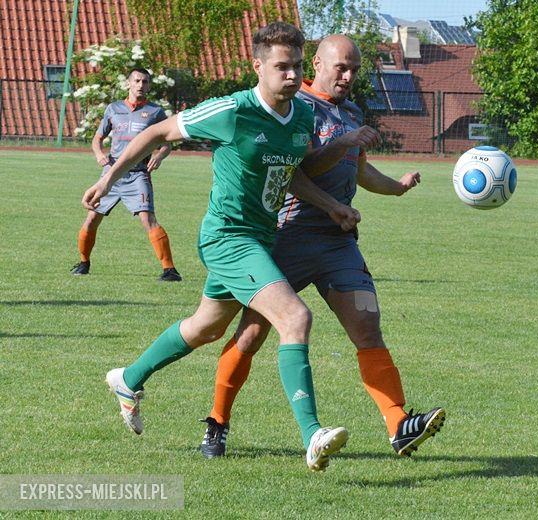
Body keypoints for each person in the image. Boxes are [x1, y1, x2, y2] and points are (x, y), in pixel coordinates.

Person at [84, 22, 359, 472]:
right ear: (258, 67)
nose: (291, 76)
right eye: (281, 67)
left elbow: (290, 174)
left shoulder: (302, 117)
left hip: (261, 239)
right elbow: (157, 133)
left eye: (295, 67)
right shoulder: (232, 110)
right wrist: (107, 177)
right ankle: (313, 435)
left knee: (205, 328)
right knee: (295, 317)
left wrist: (331, 206)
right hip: (228, 237)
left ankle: (127, 379)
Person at [199, 34, 445, 460]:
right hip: (288, 236)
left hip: (337, 243)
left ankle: (398, 423)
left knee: (367, 327)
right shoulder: (297, 107)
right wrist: (342, 146)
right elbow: (304, 168)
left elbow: (361, 173)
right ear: (316, 63)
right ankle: (217, 422)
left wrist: (397, 188)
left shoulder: (350, 112)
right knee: (252, 334)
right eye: (340, 68)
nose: (347, 77)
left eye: (354, 70)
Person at [70, 67, 182, 281]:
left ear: (149, 86)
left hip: (138, 174)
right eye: (137, 81)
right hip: (110, 174)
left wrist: (159, 156)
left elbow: (167, 144)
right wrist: (98, 153)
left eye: (145, 82)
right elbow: (97, 138)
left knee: (148, 218)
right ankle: (83, 263)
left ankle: (170, 270)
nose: (141, 85)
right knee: (92, 217)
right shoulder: (113, 109)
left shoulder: (156, 112)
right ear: (128, 84)